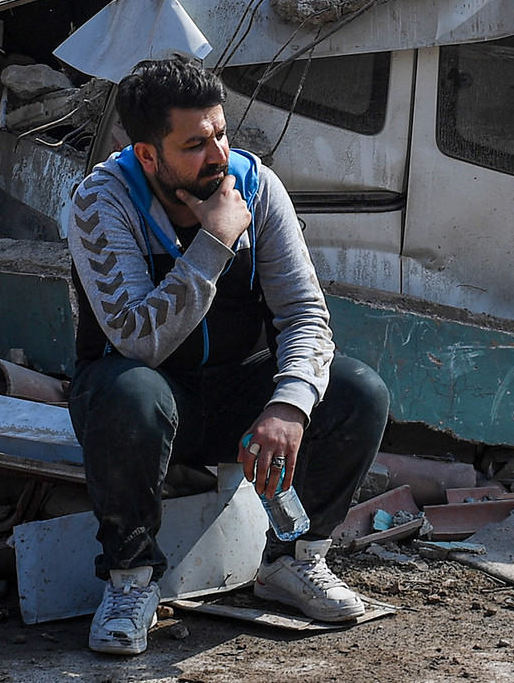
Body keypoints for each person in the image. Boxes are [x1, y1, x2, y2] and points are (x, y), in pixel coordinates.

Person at [65, 56, 389, 656]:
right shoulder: (100, 204)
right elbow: (138, 338)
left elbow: (306, 316)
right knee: (131, 392)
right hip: (144, 399)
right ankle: (132, 581)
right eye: (195, 144)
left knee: (357, 390)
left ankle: (293, 561)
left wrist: (288, 405)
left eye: (220, 132)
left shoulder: (257, 186)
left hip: (239, 393)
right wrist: (214, 242)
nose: (216, 154)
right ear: (147, 155)